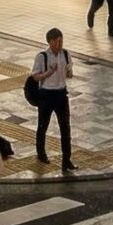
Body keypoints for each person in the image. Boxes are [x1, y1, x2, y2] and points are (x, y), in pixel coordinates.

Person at [28, 29, 74, 170]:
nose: (60, 44)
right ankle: (41, 153)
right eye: (57, 41)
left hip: (61, 94)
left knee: (65, 128)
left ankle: (67, 159)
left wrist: (69, 72)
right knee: (43, 125)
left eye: (61, 41)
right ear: (51, 41)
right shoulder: (42, 57)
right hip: (47, 94)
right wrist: (49, 72)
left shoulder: (65, 54)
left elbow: (70, 74)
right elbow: (35, 76)